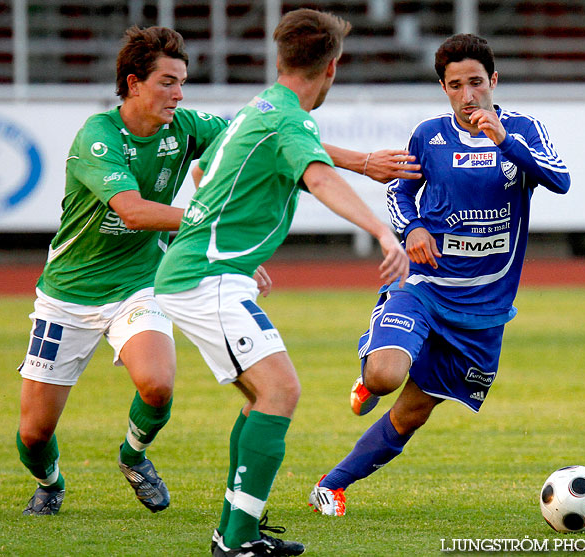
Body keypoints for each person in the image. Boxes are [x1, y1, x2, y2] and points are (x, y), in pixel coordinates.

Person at [16, 24, 419, 518]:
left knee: (158, 384)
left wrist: (361, 161)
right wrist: (214, 228)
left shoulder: (184, 126)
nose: (178, 93)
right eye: (167, 81)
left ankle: (133, 455)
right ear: (133, 82)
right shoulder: (98, 137)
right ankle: (50, 482)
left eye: (182, 81)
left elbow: (267, 138)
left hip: (139, 282)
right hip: (69, 295)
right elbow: (134, 212)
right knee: (35, 433)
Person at [153, 9, 409, 556]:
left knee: (259, 399)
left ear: (279, 59)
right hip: (206, 276)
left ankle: (235, 531)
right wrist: (383, 233)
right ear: (332, 69)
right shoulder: (289, 121)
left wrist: (234, 240)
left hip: (209, 271)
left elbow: (210, 172)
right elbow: (316, 175)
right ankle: (235, 541)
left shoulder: (263, 108)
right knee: (281, 390)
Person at [308, 33, 571, 517]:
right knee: (387, 377)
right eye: (455, 85)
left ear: (493, 81)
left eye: (476, 82)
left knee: (414, 412)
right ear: (444, 89)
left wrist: (505, 141)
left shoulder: (523, 129)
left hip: (484, 308)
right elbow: (399, 191)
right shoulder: (428, 136)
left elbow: (560, 179)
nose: (468, 95)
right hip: (423, 285)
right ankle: (370, 376)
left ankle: (331, 485)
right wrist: (412, 229)